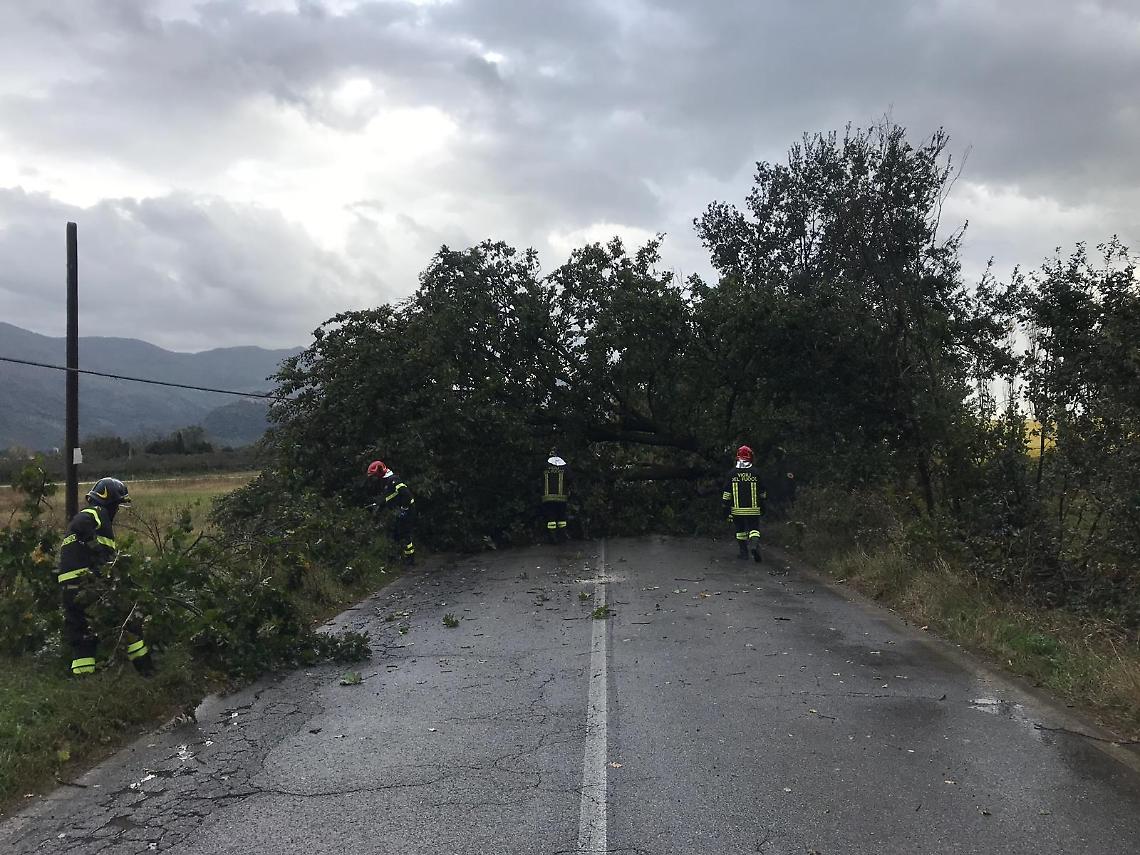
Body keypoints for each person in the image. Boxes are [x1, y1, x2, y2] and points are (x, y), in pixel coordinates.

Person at [56, 477, 154, 676]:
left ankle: (84, 682)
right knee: (128, 620)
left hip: (71, 589)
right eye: (117, 505)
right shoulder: (94, 513)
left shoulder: (98, 522)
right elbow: (81, 525)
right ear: (109, 502)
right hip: (89, 585)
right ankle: (146, 671)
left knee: (83, 636)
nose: (117, 510)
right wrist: (96, 550)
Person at [366, 460, 416, 566]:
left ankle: (410, 560)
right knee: (395, 533)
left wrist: (404, 508)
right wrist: (378, 505)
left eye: (375, 475)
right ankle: (397, 557)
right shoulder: (386, 481)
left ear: (380, 471)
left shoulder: (393, 480)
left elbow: (406, 494)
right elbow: (389, 497)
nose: (374, 478)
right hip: (401, 510)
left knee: (405, 533)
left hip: (408, 510)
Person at [722, 445, 765, 562]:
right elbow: (762, 492)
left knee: (740, 531)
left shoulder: (732, 473)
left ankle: (744, 553)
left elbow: (726, 493)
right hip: (753, 509)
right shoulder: (756, 473)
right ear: (750, 457)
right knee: (754, 529)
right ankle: (754, 546)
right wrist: (763, 506)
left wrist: (725, 507)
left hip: (737, 510)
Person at [541, 451, 570, 542]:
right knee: (562, 518)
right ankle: (562, 536)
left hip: (548, 498)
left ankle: (552, 537)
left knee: (551, 518)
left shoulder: (544, 466)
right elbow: (571, 478)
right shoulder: (564, 466)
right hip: (562, 497)